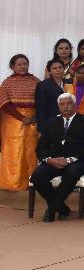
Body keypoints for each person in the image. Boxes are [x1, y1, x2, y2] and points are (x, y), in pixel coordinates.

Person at [29, 94, 84, 221]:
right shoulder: (51, 123)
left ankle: (52, 209)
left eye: (68, 103)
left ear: (74, 105)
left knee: (71, 174)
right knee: (37, 177)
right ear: (58, 106)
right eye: (62, 104)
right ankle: (61, 206)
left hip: (77, 161)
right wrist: (49, 160)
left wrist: (69, 160)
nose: (65, 106)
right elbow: (41, 148)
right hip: (54, 161)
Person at [0, 54, 41, 191]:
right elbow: (4, 104)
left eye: (25, 63)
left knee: (30, 151)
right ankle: (11, 182)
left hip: (32, 122)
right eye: (19, 64)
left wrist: (34, 117)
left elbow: (42, 102)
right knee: (13, 151)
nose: (23, 66)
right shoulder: (7, 83)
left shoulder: (36, 81)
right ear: (12, 67)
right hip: (12, 122)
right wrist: (22, 118)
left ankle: (31, 181)